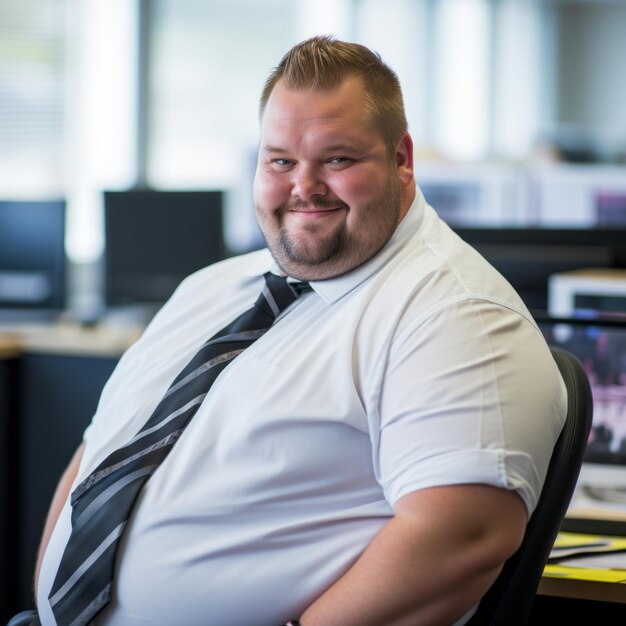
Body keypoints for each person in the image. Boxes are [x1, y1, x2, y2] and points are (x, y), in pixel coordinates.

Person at [34, 35, 567, 626]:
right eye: (280, 160)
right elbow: (99, 454)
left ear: (401, 159)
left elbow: (459, 542)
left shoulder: (457, 316)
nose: (303, 187)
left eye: (337, 159)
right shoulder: (209, 289)